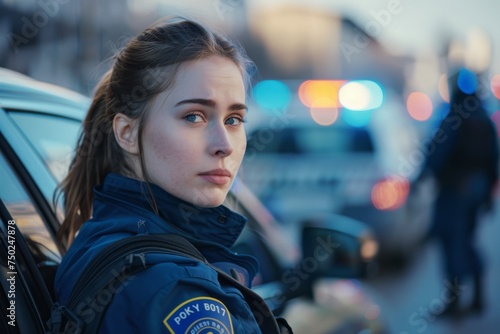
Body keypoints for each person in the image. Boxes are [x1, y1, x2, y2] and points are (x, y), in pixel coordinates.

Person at [53, 17, 292, 333]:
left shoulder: (100, 239)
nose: (224, 145)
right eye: (194, 116)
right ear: (127, 132)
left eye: (234, 119)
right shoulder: (176, 290)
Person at [417, 68, 499, 317]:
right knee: (466, 240)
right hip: (476, 189)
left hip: (454, 191)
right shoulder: (483, 116)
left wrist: (421, 177)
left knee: (451, 241)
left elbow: (436, 153)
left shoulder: (454, 116)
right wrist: (487, 194)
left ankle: (455, 304)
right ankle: (478, 298)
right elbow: (493, 158)